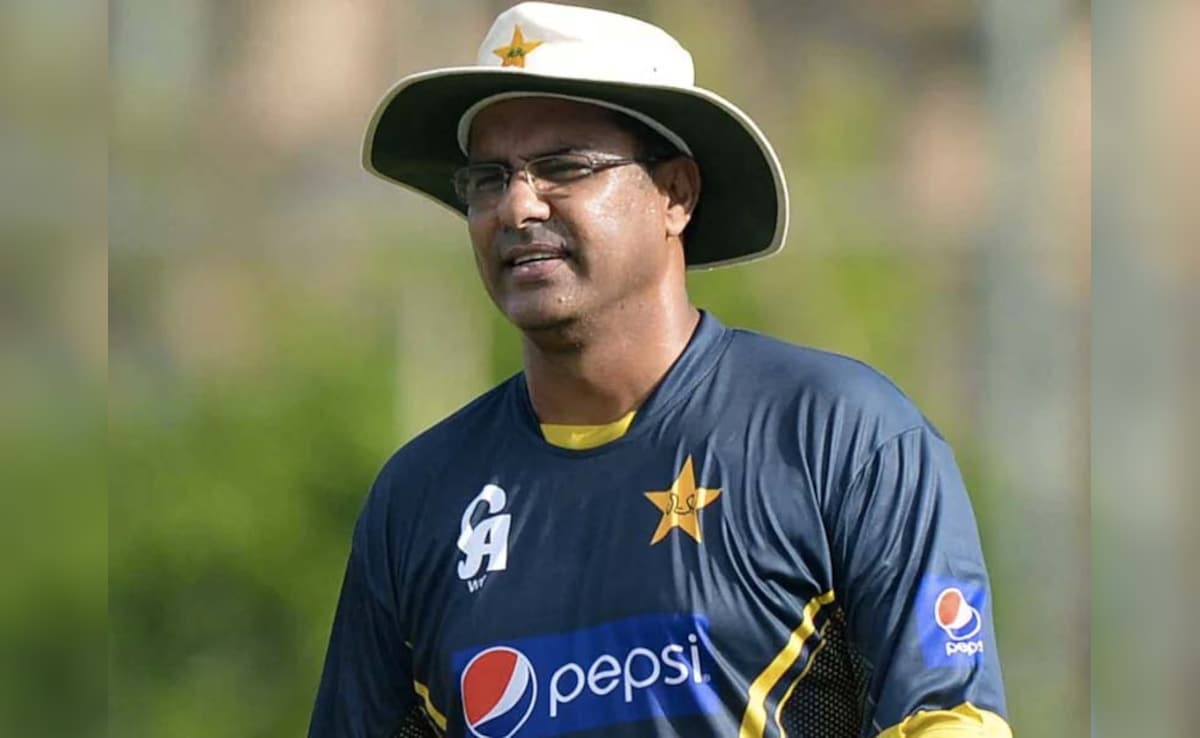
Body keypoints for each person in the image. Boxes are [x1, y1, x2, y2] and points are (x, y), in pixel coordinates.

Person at [309, 3, 1011, 737]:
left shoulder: (836, 435)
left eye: (563, 167)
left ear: (675, 194)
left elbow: (947, 718)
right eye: (488, 179)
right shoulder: (419, 498)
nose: (517, 206)